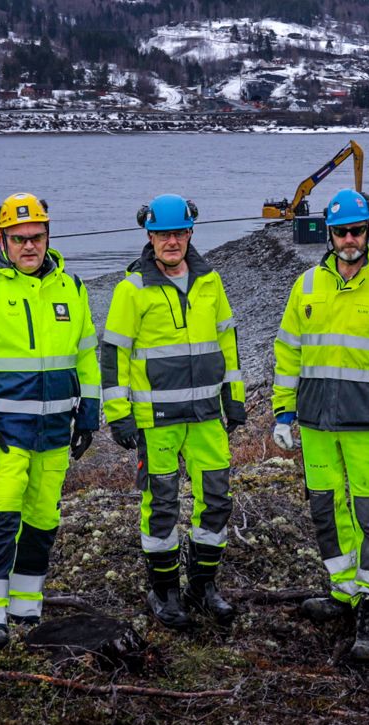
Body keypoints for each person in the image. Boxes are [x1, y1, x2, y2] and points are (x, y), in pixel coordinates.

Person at [271, 188, 369, 661]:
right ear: (329, 233)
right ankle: (343, 591)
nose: (349, 240)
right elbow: (288, 353)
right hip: (317, 422)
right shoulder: (306, 286)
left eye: (357, 230)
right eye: (341, 232)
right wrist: (282, 410)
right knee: (326, 510)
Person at [0, 193, 100, 651]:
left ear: (48, 236)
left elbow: (87, 357)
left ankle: (25, 603)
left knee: (42, 518)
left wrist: (88, 414)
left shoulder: (72, 288)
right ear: (2, 239)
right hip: (4, 434)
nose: (29, 247)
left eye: (37, 237)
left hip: (54, 432)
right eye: (19, 239)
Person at [100, 194, 245, 630]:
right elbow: (113, 355)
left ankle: (202, 586)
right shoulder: (132, 289)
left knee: (216, 502)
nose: (171, 241)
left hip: (205, 418)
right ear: (150, 236)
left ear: (189, 234)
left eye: (179, 233)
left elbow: (228, 343)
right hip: (156, 422)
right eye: (163, 234)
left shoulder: (210, 282)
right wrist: (119, 414)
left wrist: (233, 398)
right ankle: (162, 591)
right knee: (161, 508)